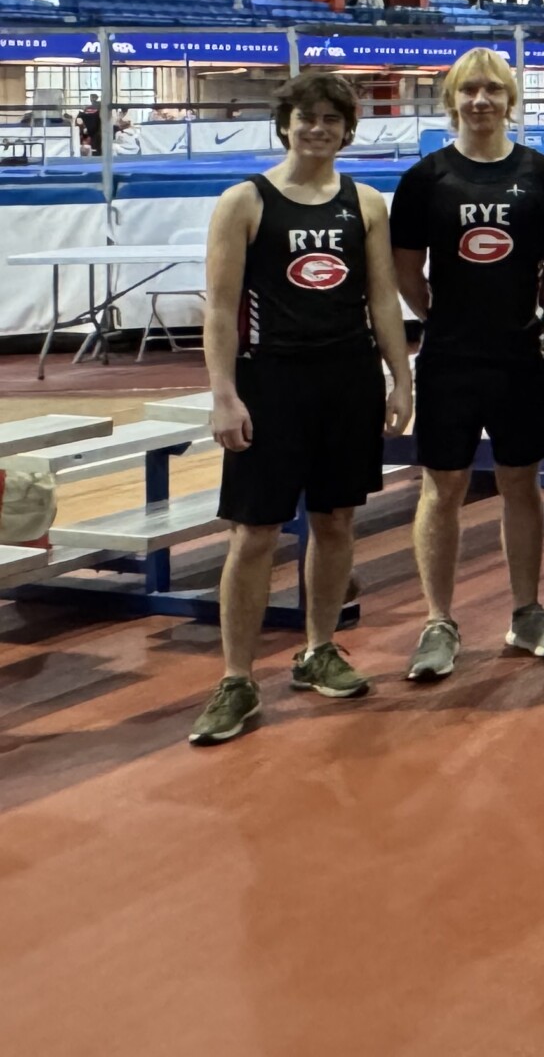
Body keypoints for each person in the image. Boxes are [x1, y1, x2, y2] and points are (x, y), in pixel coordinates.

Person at [186, 72, 413, 746]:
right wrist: (223, 394)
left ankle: (319, 650)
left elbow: (381, 300)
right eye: (306, 117)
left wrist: (401, 380)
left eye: (331, 119)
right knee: (255, 532)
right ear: (284, 124)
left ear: (348, 129)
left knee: (336, 520)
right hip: (271, 382)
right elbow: (221, 310)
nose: (318, 128)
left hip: (347, 379)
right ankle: (235, 679)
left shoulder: (365, 202)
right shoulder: (244, 202)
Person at [391, 50, 544, 680]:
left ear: (510, 99)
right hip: (449, 358)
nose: (481, 100)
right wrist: (445, 316)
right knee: (443, 487)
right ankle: (438, 621)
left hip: (520, 353)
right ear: (452, 100)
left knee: (523, 482)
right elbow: (406, 273)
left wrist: (525, 306)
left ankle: (526, 612)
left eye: (493, 90)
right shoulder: (426, 180)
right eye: (469, 90)